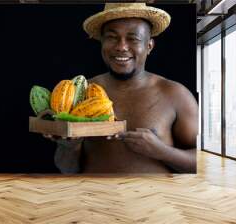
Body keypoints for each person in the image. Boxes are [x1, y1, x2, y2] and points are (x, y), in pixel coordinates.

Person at [45, 3, 198, 174]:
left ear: (149, 46)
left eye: (133, 38)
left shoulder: (176, 94)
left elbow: (202, 162)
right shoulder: (79, 94)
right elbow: (66, 169)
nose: (121, 46)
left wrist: (162, 152)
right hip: (95, 198)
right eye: (112, 37)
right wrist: (69, 147)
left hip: (155, 198)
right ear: (102, 43)